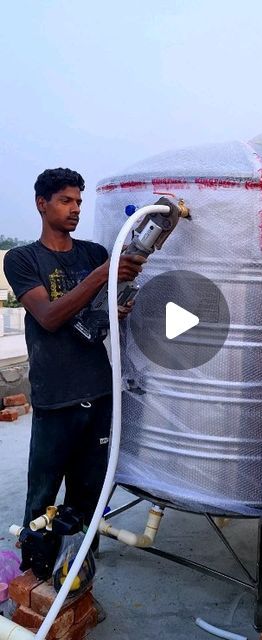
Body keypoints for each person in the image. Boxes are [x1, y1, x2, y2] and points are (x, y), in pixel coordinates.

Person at [4, 167, 146, 535]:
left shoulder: (93, 253)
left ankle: (80, 571)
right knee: (43, 497)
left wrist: (115, 309)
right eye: (65, 200)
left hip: (98, 389)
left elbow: (97, 313)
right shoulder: (22, 259)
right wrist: (103, 274)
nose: (75, 209)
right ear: (42, 204)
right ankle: (37, 569)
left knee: (88, 494)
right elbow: (49, 317)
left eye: (79, 201)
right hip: (57, 395)